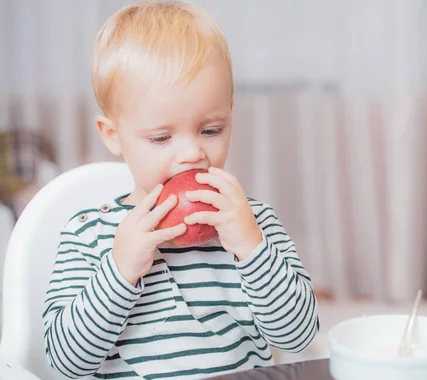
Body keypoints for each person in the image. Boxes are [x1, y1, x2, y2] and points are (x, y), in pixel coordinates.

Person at [42, 2, 319, 378]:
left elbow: (297, 336)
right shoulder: (89, 234)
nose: (192, 154)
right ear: (113, 135)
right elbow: (66, 363)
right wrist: (119, 271)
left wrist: (252, 248)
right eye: (161, 137)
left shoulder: (253, 222)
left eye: (211, 130)